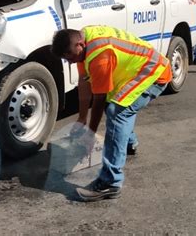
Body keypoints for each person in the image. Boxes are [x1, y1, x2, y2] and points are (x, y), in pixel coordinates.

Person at [51, 26, 172, 202]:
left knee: (117, 112)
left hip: (154, 73)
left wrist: (90, 135)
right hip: (135, 71)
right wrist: (82, 118)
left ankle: (110, 183)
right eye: (66, 59)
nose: (70, 62)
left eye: (70, 56)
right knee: (119, 106)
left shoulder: (99, 56)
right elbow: (85, 85)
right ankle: (128, 143)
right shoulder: (83, 44)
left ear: (79, 44)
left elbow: (98, 100)